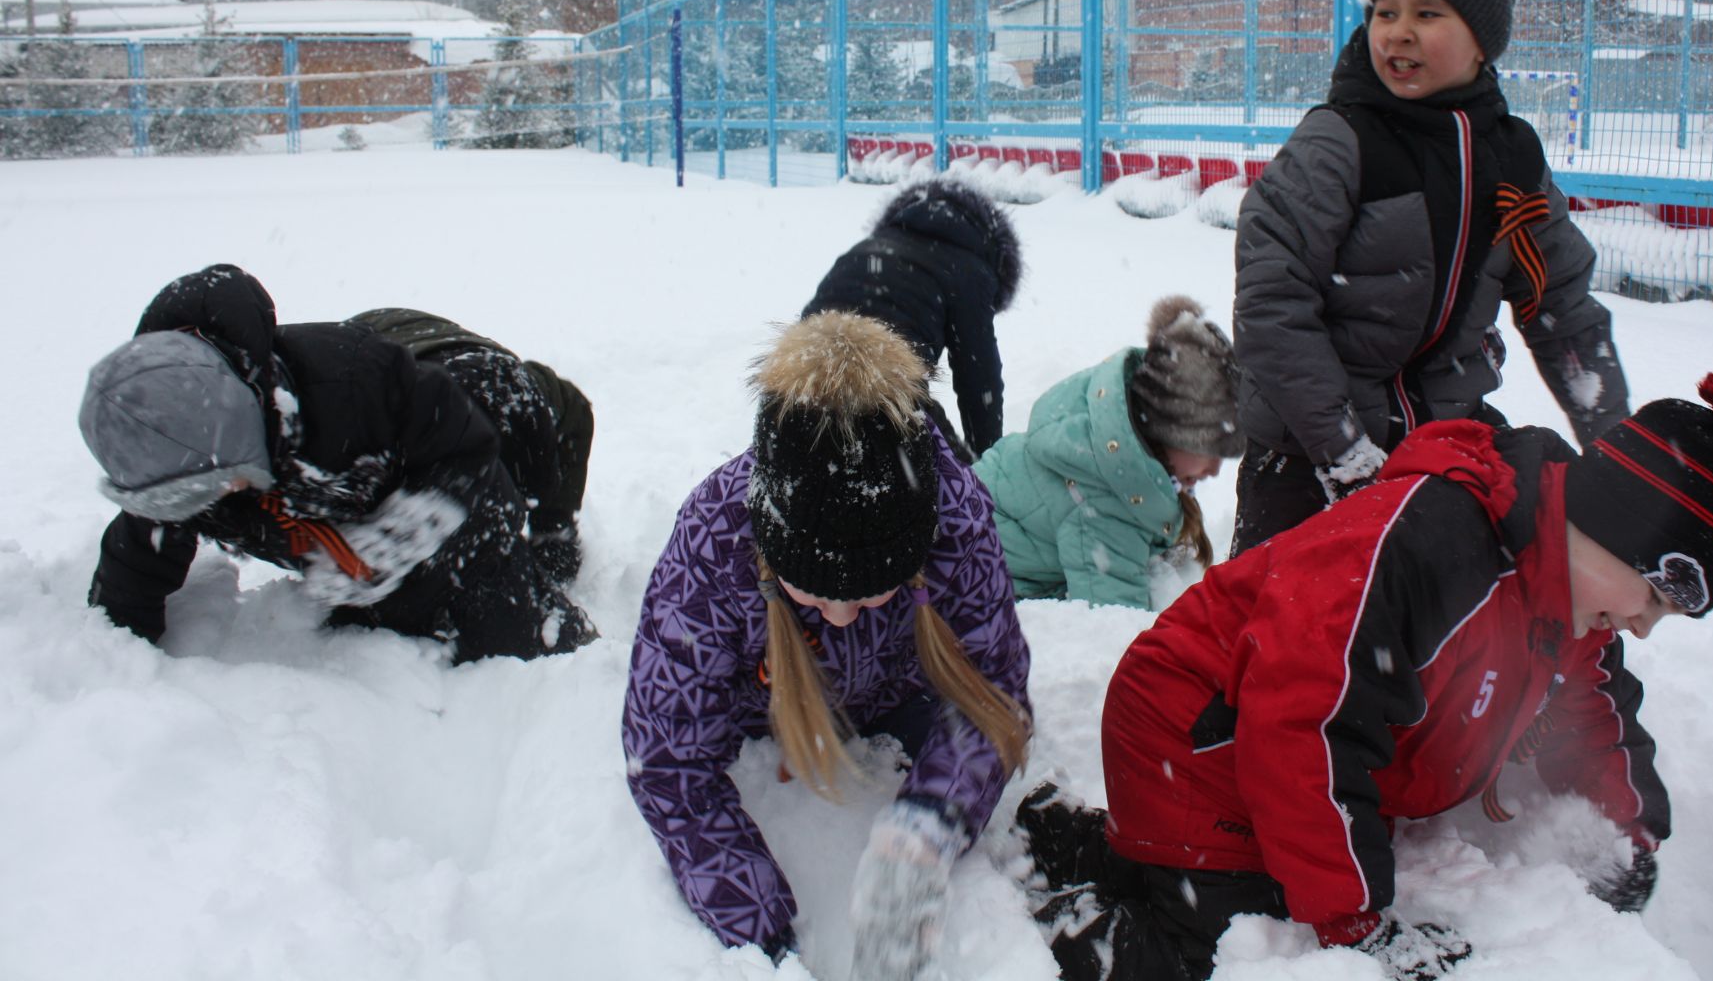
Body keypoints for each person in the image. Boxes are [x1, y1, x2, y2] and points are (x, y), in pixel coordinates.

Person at [1016, 367, 1713, 980]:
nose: (1644, 625)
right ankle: (1068, 925)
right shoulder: (1436, 545)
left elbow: (1598, 711)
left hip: (1254, 747)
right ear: (1611, 530)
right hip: (1199, 736)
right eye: (1652, 595)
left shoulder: (1569, 598)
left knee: (1269, 887)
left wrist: (1629, 833)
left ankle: (1084, 844)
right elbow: (1306, 728)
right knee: (1239, 948)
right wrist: (1358, 925)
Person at [622, 310, 1032, 977]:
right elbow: (666, 754)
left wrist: (925, 833)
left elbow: (993, 689)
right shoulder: (713, 540)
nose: (842, 616)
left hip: (897, 696)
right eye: (810, 595)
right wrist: (759, 932)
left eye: (875, 594)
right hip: (757, 711)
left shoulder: (955, 517)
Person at [1232, 0, 1629, 551]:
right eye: (1386, 12)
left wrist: (1616, 452)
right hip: (1306, 454)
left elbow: (1561, 307)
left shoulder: (1512, 159)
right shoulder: (1337, 142)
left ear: (1483, 42)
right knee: (1279, 629)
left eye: (1428, 13)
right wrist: (1346, 454)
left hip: (1441, 441)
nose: (1399, 31)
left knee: (1458, 622)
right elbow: (1273, 305)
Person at [76, 264, 594, 663]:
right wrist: (114, 647)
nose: (212, 500)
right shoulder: (180, 438)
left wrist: (395, 549)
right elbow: (140, 557)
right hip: (377, 355)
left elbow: (476, 498)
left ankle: (552, 530)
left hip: (468, 379)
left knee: (528, 456)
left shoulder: (370, 394)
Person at [973, 295, 1244, 609]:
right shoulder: (1105, 504)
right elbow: (1112, 617)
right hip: (969, 582)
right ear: (1167, 433)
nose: (1214, 470)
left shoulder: (1111, 439)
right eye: (1207, 450)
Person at [349, 307, 594, 583]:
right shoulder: (410, 427)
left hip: (449, 354)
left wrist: (554, 525)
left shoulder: (531, 395)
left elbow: (577, 409)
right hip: (360, 354)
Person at [802, 175, 1022, 461]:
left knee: (799, 464)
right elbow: (979, 379)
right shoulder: (971, 269)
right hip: (885, 387)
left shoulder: (873, 244)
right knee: (957, 490)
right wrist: (987, 462)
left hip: (803, 370)